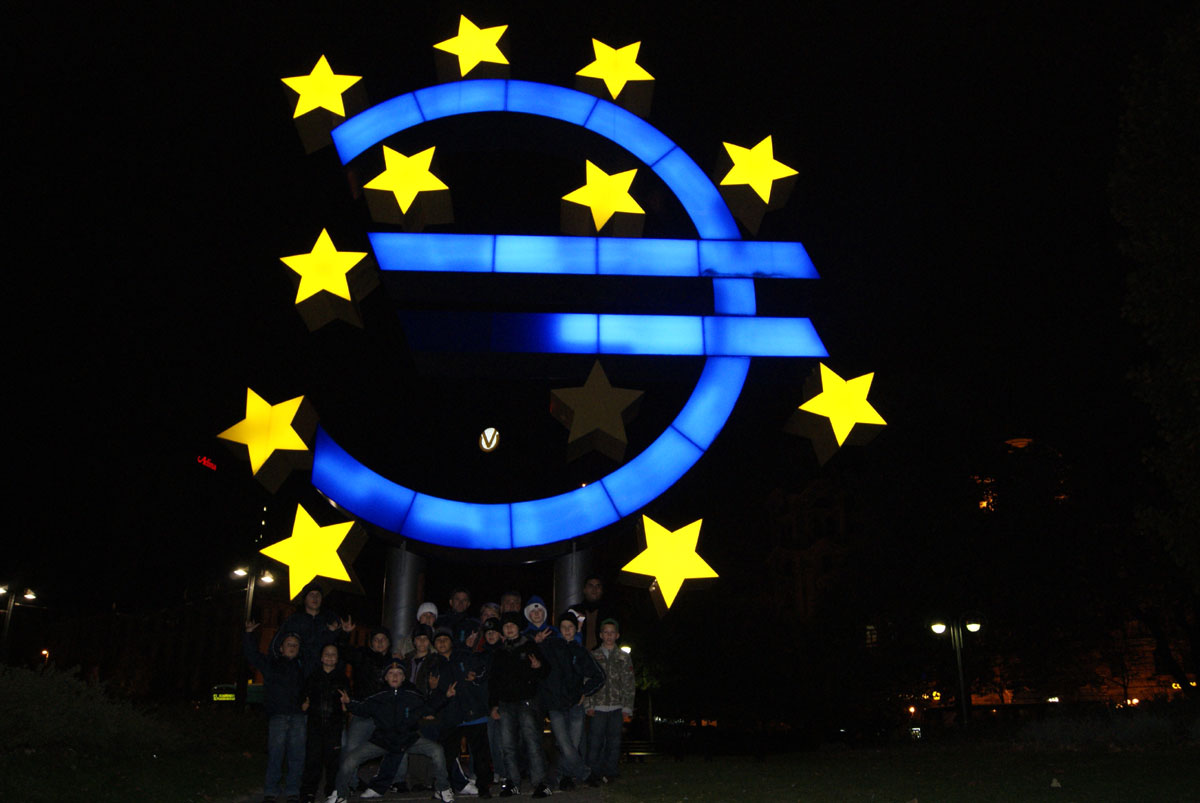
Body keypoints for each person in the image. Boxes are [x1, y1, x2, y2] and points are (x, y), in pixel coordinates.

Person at [330, 661, 456, 802]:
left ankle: (442, 788)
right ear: (385, 678)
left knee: (437, 750)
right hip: (382, 741)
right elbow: (362, 708)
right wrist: (349, 702)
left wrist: (446, 697)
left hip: (408, 739)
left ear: (403, 678)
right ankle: (340, 794)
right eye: (391, 673)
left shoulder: (412, 696)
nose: (395, 676)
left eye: (399, 673)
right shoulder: (378, 697)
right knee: (350, 760)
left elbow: (428, 707)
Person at [541, 611, 606, 790]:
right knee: (565, 744)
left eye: (570, 627)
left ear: (575, 629)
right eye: (564, 627)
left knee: (572, 744)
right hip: (555, 704)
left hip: (575, 704)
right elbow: (537, 665)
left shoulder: (580, 651)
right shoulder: (550, 646)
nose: (567, 630)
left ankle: (566, 778)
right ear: (559, 629)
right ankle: (586, 774)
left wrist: (585, 692)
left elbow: (599, 676)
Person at [489, 612, 551, 798]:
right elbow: (494, 681)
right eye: (506, 625)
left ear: (518, 627)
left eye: (512, 625)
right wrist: (493, 705)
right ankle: (513, 782)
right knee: (507, 745)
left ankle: (541, 783)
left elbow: (545, 670)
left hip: (526, 701)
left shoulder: (529, 645)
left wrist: (538, 666)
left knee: (532, 742)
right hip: (505, 704)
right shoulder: (499, 651)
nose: (509, 628)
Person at [244, 621, 306, 803]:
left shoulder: (303, 667)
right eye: (289, 644)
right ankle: (271, 789)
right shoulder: (271, 664)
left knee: (297, 755)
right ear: (281, 648)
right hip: (278, 715)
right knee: (276, 754)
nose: (292, 647)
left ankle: (293, 790)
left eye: (295, 645)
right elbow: (252, 655)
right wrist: (249, 634)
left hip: (298, 716)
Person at [433, 628, 494, 797]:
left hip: (474, 711)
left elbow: (484, 671)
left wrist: (476, 678)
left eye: (445, 639)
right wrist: (435, 690)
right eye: (438, 640)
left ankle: (484, 786)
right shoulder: (433, 665)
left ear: (452, 642)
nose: (442, 643)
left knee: (481, 754)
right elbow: (431, 694)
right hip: (451, 715)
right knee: (448, 754)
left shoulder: (465, 656)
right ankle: (445, 787)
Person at [585, 619, 634, 784]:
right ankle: (594, 772)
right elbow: (587, 680)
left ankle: (611, 772)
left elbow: (629, 683)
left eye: (612, 632)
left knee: (614, 742)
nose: (609, 636)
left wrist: (627, 707)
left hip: (616, 707)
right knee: (595, 742)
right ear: (601, 635)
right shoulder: (593, 655)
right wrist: (589, 705)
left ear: (617, 635)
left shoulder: (623, 657)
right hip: (598, 707)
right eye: (606, 632)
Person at [299, 643, 350, 803]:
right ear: (321, 657)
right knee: (313, 760)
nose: (329, 657)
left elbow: (347, 702)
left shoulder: (342, 678)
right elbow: (304, 698)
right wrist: (304, 704)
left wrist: (346, 705)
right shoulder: (313, 677)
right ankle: (308, 793)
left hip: (334, 726)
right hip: (315, 725)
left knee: (332, 761)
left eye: (333, 654)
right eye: (326, 654)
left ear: (337, 658)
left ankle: (332, 791)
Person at [340, 626, 395, 758]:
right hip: (363, 713)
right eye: (376, 639)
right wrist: (345, 634)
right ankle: (349, 773)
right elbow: (343, 651)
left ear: (389, 642)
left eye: (383, 639)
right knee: (352, 750)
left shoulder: (394, 662)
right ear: (371, 643)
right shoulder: (362, 656)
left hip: (385, 716)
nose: (380, 642)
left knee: (395, 749)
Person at [272, 581, 343, 674]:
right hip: (298, 671)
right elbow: (277, 644)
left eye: (318, 595)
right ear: (305, 599)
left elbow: (340, 646)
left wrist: (343, 632)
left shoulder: (330, 619)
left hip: (323, 672)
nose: (315, 598)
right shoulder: (294, 620)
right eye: (311, 595)